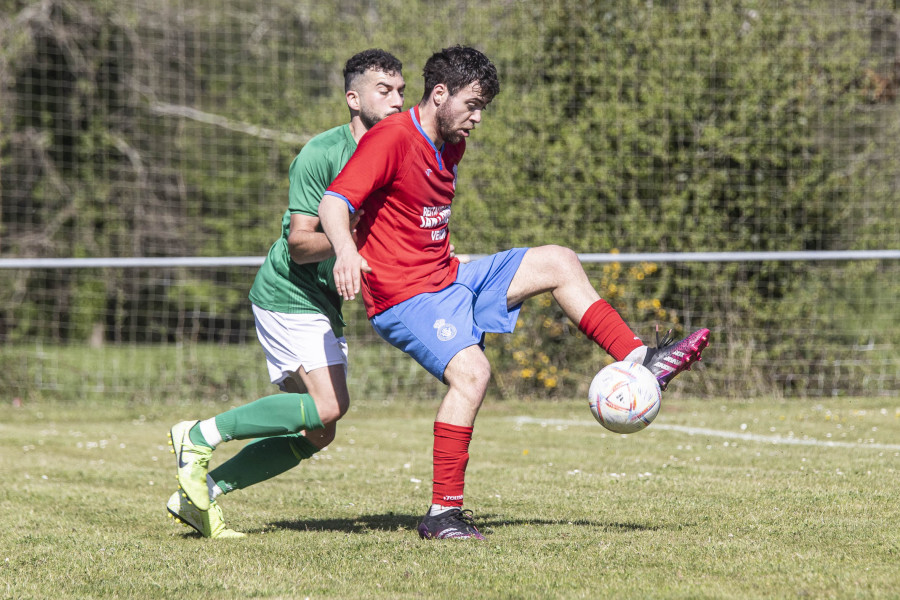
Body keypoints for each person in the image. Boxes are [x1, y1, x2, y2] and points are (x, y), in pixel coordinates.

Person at [318, 45, 711, 540]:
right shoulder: (392, 138)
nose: (477, 118)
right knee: (473, 374)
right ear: (440, 94)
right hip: (404, 298)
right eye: (472, 104)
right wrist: (347, 254)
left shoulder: (451, 141)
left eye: (483, 108)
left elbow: (414, 215)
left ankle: (640, 357)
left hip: (447, 275)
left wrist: (436, 248)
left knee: (559, 260)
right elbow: (334, 203)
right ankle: (442, 514)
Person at [165, 49, 406, 538]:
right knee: (328, 406)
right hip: (288, 291)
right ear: (353, 98)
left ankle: (200, 495)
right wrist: (350, 244)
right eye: (386, 90)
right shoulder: (321, 153)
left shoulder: (399, 152)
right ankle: (198, 434)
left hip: (322, 304)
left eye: (402, 90)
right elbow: (299, 245)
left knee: (319, 429)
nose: (398, 100)